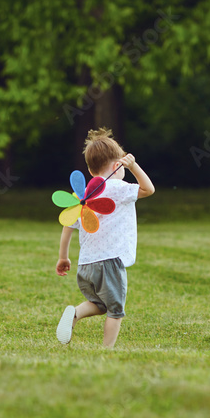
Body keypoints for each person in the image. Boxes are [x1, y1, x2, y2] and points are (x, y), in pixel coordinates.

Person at [54, 128, 155, 348]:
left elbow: (67, 225)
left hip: (86, 264)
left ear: (90, 171)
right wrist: (134, 166)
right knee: (115, 310)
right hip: (110, 262)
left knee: (99, 304)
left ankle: (75, 313)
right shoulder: (118, 188)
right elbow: (148, 189)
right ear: (118, 166)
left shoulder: (83, 196)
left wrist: (63, 257)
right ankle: (106, 351)